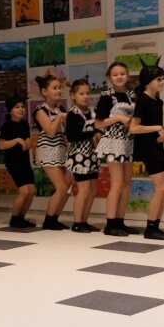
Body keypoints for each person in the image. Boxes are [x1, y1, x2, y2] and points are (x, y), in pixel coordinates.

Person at [130, 64, 164, 240]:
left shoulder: (158, 101)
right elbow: (134, 128)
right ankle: (150, 228)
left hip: (156, 146)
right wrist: (157, 128)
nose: (162, 82)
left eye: (163, 79)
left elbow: (156, 126)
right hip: (147, 148)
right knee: (161, 187)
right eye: (158, 79)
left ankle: (156, 225)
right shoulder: (142, 100)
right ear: (147, 81)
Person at [95, 62, 139, 237]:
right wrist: (119, 118)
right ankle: (111, 223)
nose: (119, 77)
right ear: (109, 77)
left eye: (122, 73)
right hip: (113, 141)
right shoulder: (106, 96)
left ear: (127, 75)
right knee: (117, 183)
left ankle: (120, 221)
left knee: (127, 184)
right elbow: (98, 123)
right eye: (115, 74)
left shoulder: (131, 95)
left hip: (128, 141)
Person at [34, 75, 71, 230]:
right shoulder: (40, 110)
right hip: (48, 150)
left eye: (59, 87)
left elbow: (66, 132)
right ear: (44, 91)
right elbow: (50, 131)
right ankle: (48, 220)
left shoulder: (60, 109)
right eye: (54, 88)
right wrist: (60, 117)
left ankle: (55, 218)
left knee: (66, 188)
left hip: (61, 149)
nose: (58, 90)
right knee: (61, 187)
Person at [65, 79, 100, 233]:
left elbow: (98, 127)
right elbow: (71, 136)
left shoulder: (92, 111)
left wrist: (97, 133)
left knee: (92, 189)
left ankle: (85, 221)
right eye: (81, 93)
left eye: (87, 93)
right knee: (83, 189)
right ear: (73, 95)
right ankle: (77, 222)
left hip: (92, 155)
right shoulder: (72, 114)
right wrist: (91, 134)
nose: (85, 96)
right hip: (79, 156)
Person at [0, 97, 37, 228]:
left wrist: (28, 143)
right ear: (10, 110)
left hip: (24, 161)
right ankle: (14, 219)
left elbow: (27, 141)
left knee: (32, 190)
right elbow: (1, 144)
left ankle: (21, 217)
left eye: (22, 106)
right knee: (24, 191)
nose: (21, 109)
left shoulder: (24, 124)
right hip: (13, 162)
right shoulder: (7, 125)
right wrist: (18, 140)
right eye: (17, 107)